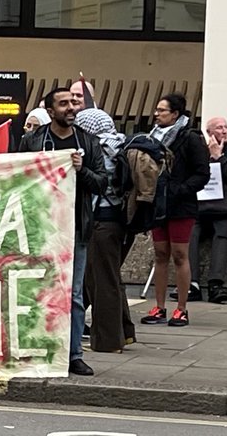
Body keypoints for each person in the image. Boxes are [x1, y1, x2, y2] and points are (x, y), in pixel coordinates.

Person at [18, 88, 107, 376]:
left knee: (74, 296)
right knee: (37, 290)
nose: (71, 108)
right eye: (64, 103)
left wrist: (81, 170)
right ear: (50, 109)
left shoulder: (88, 142)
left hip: (75, 229)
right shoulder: (32, 140)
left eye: (73, 103)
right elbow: (18, 180)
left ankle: (73, 355)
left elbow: (102, 183)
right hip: (40, 227)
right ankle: (34, 349)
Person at [140, 94, 210, 328]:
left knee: (180, 255)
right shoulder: (151, 137)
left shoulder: (190, 138)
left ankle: (181, 308)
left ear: (175, 114)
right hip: (158, 204)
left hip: (182, 205)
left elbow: (202, 173)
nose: (156, 114)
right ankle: (159, 306)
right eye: (156, 110)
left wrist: (180, 189)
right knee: (160, 254)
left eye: (162, 110)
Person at [75, 107, 135, 353]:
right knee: (111, 279)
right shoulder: (119, 144)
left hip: (101, 221)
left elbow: (95, 184)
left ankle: (107, 341)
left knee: (101, 283)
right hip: (118, 221)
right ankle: (125, 333)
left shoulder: (97, 150)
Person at [187, 116, 227, 304]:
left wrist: (219, 158)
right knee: (191, 232)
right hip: (202, 206)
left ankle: (216, 284)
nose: (224, 130)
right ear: (209, 133)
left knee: (222, 235)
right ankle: (191, 283)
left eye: (226, 127)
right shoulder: (198, 151)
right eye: (219, 128)